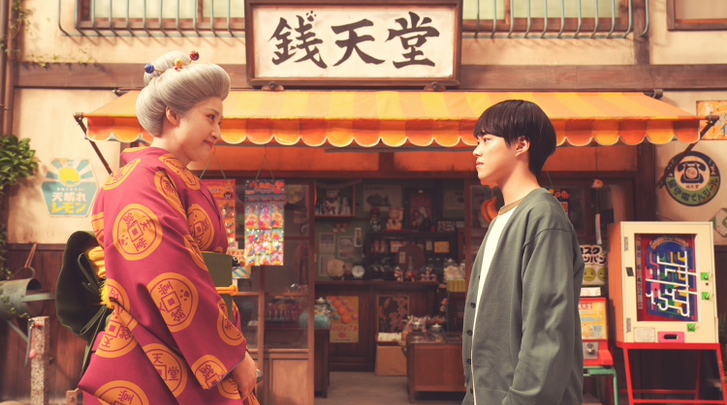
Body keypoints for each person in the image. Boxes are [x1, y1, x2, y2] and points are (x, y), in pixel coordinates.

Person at [78, 50, 259, 404]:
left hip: (191, 338)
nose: (217, 132)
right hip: (153, 345)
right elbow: (169, 271)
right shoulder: (141, 179)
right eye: (211, 117)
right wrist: (231, 354)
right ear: (173, 114)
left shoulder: (170, 178)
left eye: (220, 122)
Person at [462, 100, 585, 405]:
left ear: (521, 145)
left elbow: (547, 327)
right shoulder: (503, 217)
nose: (476, 151)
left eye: (486, 140)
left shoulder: (543, 215)